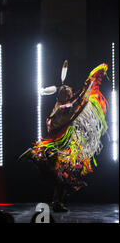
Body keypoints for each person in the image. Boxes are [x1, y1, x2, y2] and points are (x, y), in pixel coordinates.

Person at [19, 62, 109, 212]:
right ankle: (34, 156)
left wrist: (86, 87)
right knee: (56, 176)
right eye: (69, 93)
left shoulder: (62, 105)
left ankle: (56, 202)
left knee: (61, 177)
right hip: (57, 145)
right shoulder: (63, 107)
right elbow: (79, 101)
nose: (72, 94)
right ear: (64, 95)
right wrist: (90, 83)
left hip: (61, 146)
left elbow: (77, 101)